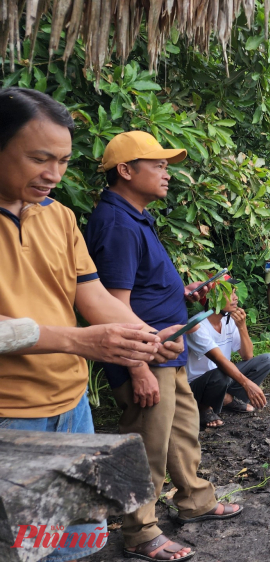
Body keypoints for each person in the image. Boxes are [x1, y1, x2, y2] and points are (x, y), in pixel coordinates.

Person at [0, 87, 187, 562]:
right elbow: (82, 325)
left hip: (72, 407)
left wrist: (142, 338)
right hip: (12, 419)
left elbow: (95, 295)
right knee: (23, 550)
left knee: (73, 546)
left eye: (62, 161)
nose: (54, 175)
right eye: (39, 159)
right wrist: (80, 340)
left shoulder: (59, 217)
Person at [84, 130, 243, 561]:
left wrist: (183, 292)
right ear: (125, 170)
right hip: (145, 356)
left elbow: (138, 288)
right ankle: (140, 532)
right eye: (157, 164)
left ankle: (196, 501)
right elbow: (110, 307)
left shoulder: (135, 216)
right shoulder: (117, 224)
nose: (166, 172)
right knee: (146, 445)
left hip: (165, 351)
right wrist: (137, 368)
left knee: (182, 431)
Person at [185, 278, 270, 429]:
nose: (236, 297)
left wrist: (242, 327)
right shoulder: (197, 326)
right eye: (229, 293)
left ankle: (226, 399)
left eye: (234, 292)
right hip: (198, 386)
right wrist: (246, 384)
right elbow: (219, 360)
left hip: (223, 379)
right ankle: (204, 407)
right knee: (221, 373)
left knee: (267, 360)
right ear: (212, 298)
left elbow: (248, 356)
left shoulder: (229, 321)